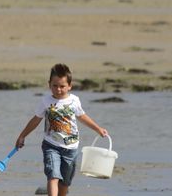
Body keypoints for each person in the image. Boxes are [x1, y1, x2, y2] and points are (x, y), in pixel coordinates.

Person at [15, 64, 108, 196]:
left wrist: (98, 129)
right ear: (49, 84)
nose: (58, 89)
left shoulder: (74, 100)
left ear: (69, 86)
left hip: (71, 148)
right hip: (51, 145)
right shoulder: (46, 101)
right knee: (53, 176)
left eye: (62, 86)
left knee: (65, 183)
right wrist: (22, 135)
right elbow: (35, 120)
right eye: (55, 86)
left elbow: (82, 117)